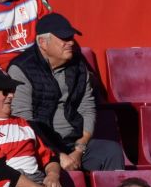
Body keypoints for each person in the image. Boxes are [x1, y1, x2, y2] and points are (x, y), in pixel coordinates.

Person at [9, 13, 129, 173]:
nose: (71, 43)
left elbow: (87, 107)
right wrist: (57, 155)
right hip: (40, 146)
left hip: (74, 143)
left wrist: (80, 148)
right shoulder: (21, 68)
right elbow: (24, 120)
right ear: (43, 42)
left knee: (110, 151)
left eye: (71, 38)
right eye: (64, 39)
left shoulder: (78, 65)